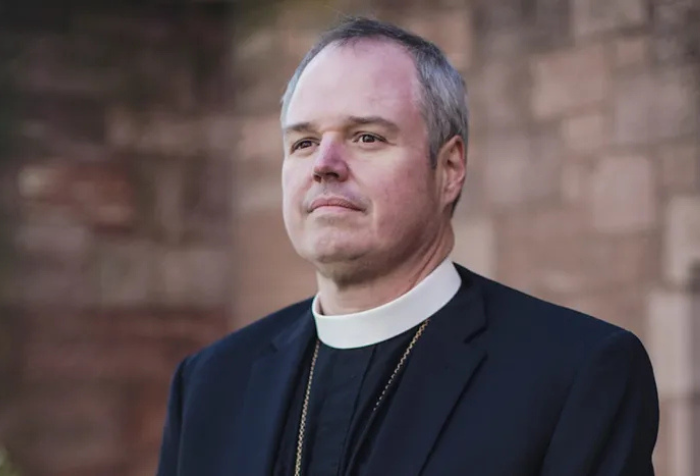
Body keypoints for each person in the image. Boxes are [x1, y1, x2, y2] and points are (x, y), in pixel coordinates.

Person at [156, 17, 659, 476]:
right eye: (304, 142)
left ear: (450, 168)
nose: (324, 165)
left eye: (366, 137)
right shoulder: (210, 384)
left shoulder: (575, 373)